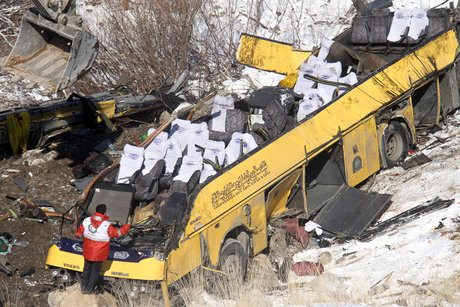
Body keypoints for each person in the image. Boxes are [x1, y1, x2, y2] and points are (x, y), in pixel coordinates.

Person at [75, 204, 130, 294]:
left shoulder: (86, 221)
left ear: (96, 211)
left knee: (86, 269)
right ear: (104, 212)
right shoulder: (106, 225)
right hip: (99, 254)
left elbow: (78, 234)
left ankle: (83, 288)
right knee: (95, 271)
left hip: (87, 251)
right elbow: (118, 233)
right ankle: (90, 289)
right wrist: (127, 226)